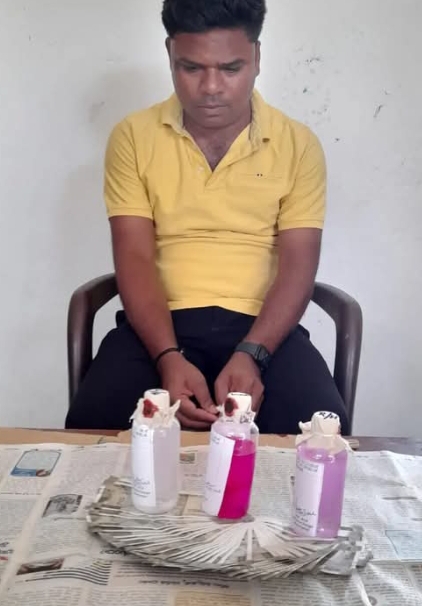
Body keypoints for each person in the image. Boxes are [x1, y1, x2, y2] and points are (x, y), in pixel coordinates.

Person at [65, 0, 349, 434]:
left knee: (318, 430)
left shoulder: (297, 144)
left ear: (257, 57)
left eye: (231, 68)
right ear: (169, 54)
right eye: (191, 68)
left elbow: (298, 265)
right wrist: (168, 357)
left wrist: (252, 353)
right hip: (160, 325)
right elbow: (135, 257)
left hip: (263, 330)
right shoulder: (134, 137)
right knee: (93, 422)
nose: (211, 87)